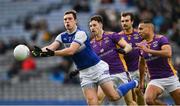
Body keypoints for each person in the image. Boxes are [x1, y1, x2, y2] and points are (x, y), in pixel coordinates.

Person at [31, 10, 138, 105]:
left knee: (113, 97)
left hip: (98, 69)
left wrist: (52, 53)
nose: (67, 21)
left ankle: (134, 82)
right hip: (85, 73)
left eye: (70, 19)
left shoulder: (81, 34)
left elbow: (71, 50)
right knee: (92, 102)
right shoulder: (62, 36)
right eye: (65, 19)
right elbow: (51, 47)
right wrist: (40, 52)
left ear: (75, 21)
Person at [89, 15, 137, 105]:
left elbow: (128, 46)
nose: (92, 28)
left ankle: (135, 83)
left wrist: (124, 51)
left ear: (100, 25)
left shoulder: (112, 35)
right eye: (90, 26)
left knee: (129, 102)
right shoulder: (91, 44)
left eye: (94, 25)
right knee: (97, 99)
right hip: (105, 75)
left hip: (120, 72)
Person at [137, 20, 180, 105]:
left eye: (141, 29)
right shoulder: (141, 45)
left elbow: (168, 53)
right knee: (148, 100)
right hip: (155, 79)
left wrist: (148, 50)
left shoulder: (161, 39)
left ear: (149, 29)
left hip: (170, 76)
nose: (139, 31)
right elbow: (141, 63)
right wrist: (141, 81)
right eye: (138, 29)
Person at [118, 12, 145, 105]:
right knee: (131, 99)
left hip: (139, 70)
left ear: (132, 21)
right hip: (126, 72)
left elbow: (146, 51)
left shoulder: (140, 35)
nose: (124, 23)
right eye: (122, 21)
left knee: (139, 91)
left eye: (126, 21)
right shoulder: (118, 37)